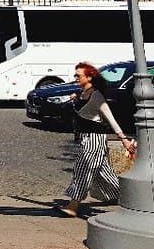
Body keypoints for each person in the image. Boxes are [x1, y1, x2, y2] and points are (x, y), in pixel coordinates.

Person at [58, 61, 136, 217]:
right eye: (75, 75)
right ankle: (131, 197)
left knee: (83, 169)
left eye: (78, 75)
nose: (76, 78)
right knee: (104, 174)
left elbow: (110, 118)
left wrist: (124, 139)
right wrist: (75, 100)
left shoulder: (96, 95)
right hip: (86, 138)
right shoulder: (82, 94)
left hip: (95, 139)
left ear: (89, 77)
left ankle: (73, 206)